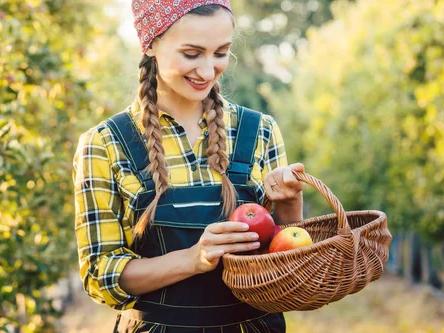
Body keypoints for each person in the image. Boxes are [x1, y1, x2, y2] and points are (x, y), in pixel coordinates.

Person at [72, 1, 305, 332]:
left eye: (221, 53)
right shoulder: (106, 143)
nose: (208, 71)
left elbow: (285, 257)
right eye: (192, 54)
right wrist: (194, 259)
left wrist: (289, 202)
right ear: (151, 43)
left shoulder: (259, 131)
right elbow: (100, 274)